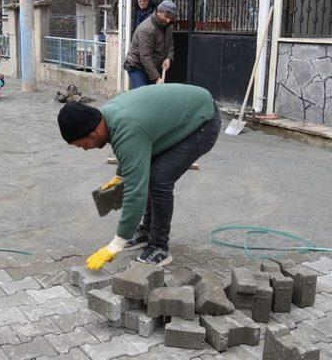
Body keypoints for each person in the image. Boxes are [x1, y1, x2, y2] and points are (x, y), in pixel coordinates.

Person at [57, 84, 221, 268]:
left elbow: (136, 192)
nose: (86, 149)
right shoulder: (107, 118)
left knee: (159, 180)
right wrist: (120, 177)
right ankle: (146, 232)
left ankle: (159, 246)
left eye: (84, 144)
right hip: (185, 112)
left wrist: (117, 244)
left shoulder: (127, 127)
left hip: (203, 120)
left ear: (94, 132)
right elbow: (132, 152)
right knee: (149, 173)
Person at [124, 0, 176, 89]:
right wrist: (156, 78)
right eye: (166, 16)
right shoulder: (146, 29)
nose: (168, 20)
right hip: (137, 66)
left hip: (153, 65)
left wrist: (168, 57)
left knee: (153, 94)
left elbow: (170, 43)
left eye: (171, 17)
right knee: (142, 93)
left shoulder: (168, 26)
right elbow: (145, 56)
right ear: (158, 12)